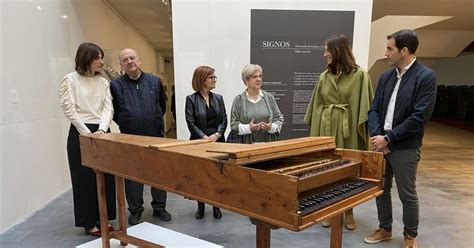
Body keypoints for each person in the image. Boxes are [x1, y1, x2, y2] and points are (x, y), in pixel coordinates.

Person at [364, 29, 437, 248]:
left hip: (404, 146)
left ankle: (410, 236)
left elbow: (419, 117)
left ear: (403, 50)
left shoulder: (425, 77)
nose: (386, 53)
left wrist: (389, 139)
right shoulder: (386, 76)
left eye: (389, 48)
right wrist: (378, 137)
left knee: (407, 194)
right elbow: (374, 109)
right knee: (381, 190)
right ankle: (385, 229)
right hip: (381, 144)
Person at [304, 34, 373, 230]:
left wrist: (364, 132)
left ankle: (349, 210)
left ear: (338, 51)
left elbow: (366, 107)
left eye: (327, 49)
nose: (324, 53)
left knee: (348, 170)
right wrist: (316, 136)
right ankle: (329, 208)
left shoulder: (360, 76)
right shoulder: (324, 76)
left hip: (348, 130)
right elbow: (316, 106)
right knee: (327, 170)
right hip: (327, 129)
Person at [58, 42, 116, 236]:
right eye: (97, 58)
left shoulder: (103, 81)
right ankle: (89, 222)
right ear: (86, 59)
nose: (101, 61)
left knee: (106, 177)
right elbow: (69, 109)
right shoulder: (70, 79)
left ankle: (104, 218)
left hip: (102, 131)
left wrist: (101, 129)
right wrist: (87, 132)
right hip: (80, 132)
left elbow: (108, 107)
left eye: (101, 57)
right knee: (84, 179)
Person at [110, 48, 171, 225]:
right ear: (121, 65)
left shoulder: (154, 81)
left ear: (139, 60)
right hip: (130, 139)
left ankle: (159, 208)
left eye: (132, 58)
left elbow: (162, 106)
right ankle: (135, 210)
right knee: (132, 176)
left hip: (155, 136)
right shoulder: (116, 85)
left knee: (158, 174)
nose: (130, 61)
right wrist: (127, 122)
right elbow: (115, 112)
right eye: (125, 60)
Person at [185, 66, 227, 219]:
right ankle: (200, 205)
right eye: (212, 77)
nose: (215, 80)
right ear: (202, 80)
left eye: (215, 77)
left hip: (217, 142)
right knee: (201, 177)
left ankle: (217, 206)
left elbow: (224, 120)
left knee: (217, 176)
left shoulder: (219, 98)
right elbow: (190, 122)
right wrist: (203, 137)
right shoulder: (191, 99)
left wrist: (216, 135)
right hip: (199, 143)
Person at [230, 64, 284, 143]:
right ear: (246, 80)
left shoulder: (269, 97)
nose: (258, 79)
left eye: (260, 76)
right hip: (245, 147)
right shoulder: (238, 100)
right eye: (254, 77)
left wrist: (271, 127)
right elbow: (234, 125)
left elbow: (279, 119)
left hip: (267, 146)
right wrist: (249, 128)